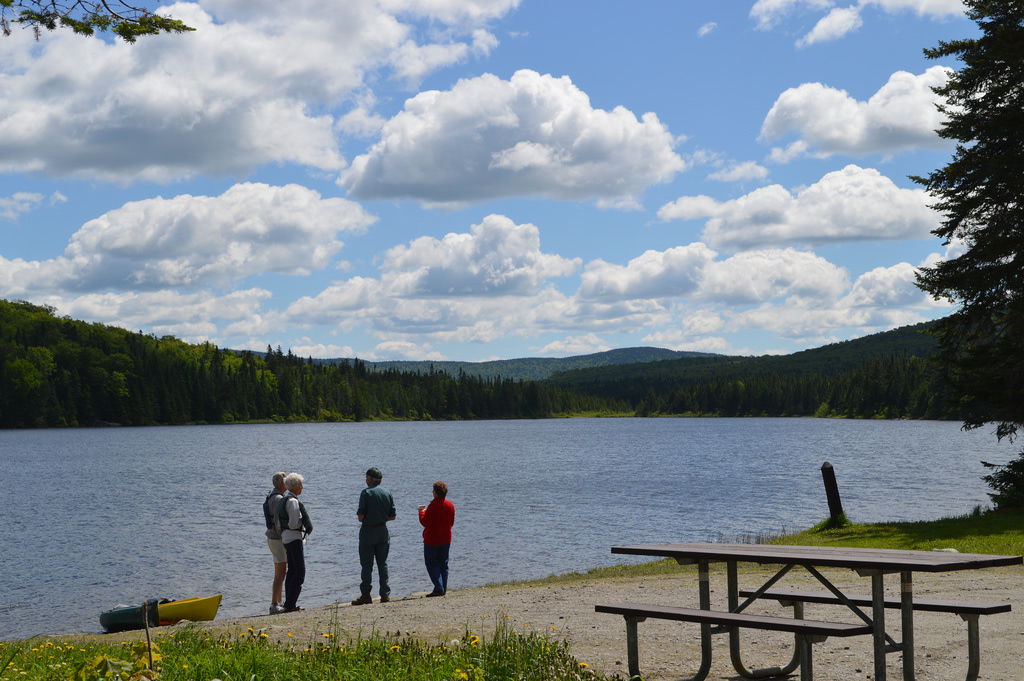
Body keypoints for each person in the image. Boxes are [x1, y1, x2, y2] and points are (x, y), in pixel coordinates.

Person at [352, 467, 396, 605]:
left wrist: (370, 518)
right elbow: (392, 516)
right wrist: (380, 518)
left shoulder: (366, 493)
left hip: (368, 532)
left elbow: (360, 517)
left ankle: (366, 595)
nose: (366, 480)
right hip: (383, 531)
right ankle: (385, 595)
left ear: (370, 479)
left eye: (366, 478)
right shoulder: (387, 493)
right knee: (383, 564)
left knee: (366, 565)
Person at [276, 472, 312, 613]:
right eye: (301, 484)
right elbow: (293, 523)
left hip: (286, 538)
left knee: (292, 570)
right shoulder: (292, 501)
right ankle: (290, 604)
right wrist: (301, 521)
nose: (302, 487)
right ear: (295, 486)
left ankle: (289, 603)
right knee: (299, 571)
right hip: (294, 538)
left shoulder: (284, 499)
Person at [418, 480, 455, 597]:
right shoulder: (450, 505)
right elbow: (451, 523)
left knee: (431, 563)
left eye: (433, 491)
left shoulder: (433, 505)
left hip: (432, 541)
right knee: (444, 564)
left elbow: (425, 522)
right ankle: (443, 588)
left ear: (435, 493)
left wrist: (421, 512)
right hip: (446, 539)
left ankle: (439, 588)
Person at [263, 471, 288, 614]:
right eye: (286, 482)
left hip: (271, 537)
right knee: (281, 572)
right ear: (282, 483)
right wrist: (285, 536)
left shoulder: (271, 496)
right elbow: (279, 522)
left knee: (279, 571)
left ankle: (279, 601)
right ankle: (274, 603)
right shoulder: (278, 498)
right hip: (277, 538)